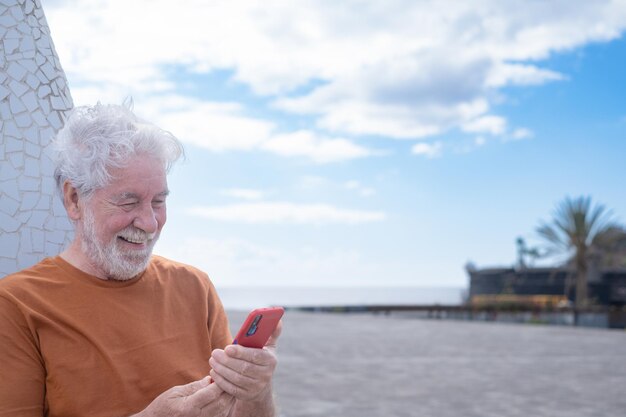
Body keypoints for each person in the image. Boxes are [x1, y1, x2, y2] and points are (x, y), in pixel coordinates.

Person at [0, 103, 281, 417]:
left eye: (158, 202)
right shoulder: (15, 304)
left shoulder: (194, 286)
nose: (149, 223)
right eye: (128, 201)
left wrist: (256, 392)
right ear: (74, 199)